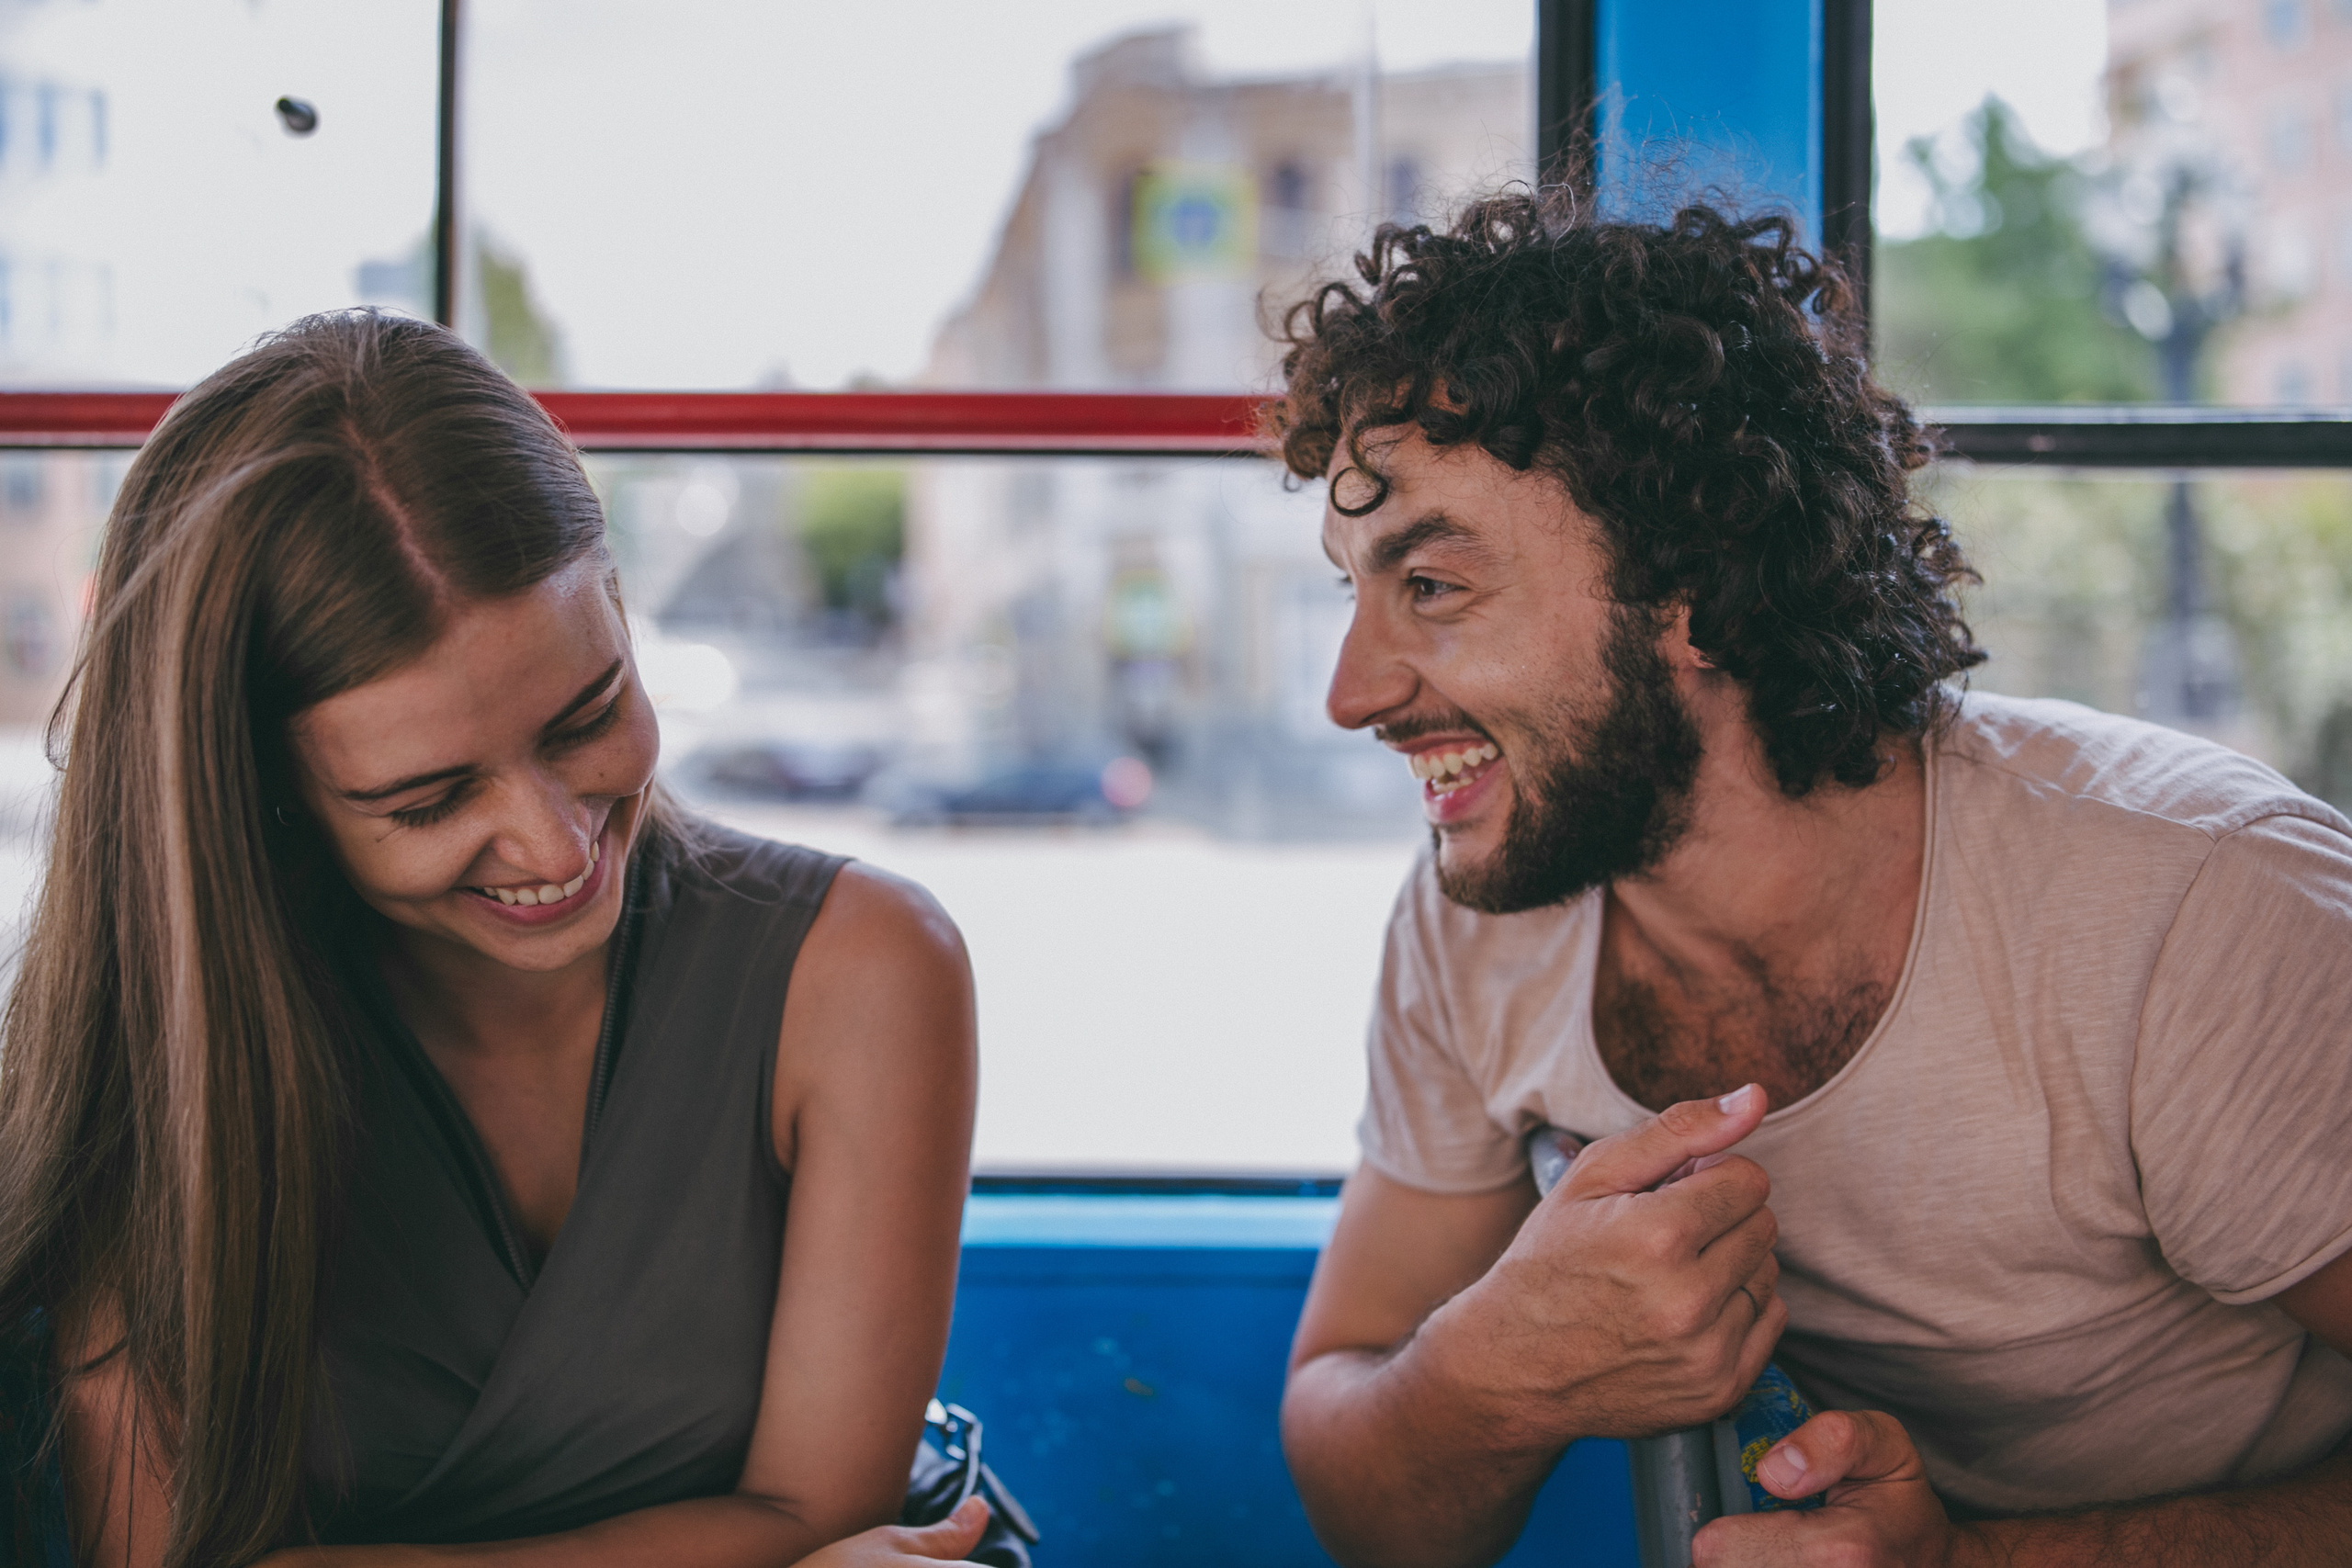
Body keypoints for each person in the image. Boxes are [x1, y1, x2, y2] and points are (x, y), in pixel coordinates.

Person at [1270, 192, 2352, 1567]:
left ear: (1698, 598)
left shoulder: (2197, 912)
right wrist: (1488, 1376)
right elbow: (1366, 1510)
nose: (1350, 693)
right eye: (1352, 594)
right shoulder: (1472, 918)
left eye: (1430, 586)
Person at [0, 311, 1003, 1568]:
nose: (551, 843)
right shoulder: (149, 1051)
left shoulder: (867, 969)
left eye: (590, 711)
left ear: (623, 611)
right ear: (263, 801)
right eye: (429, 801)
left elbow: (825, 1517)